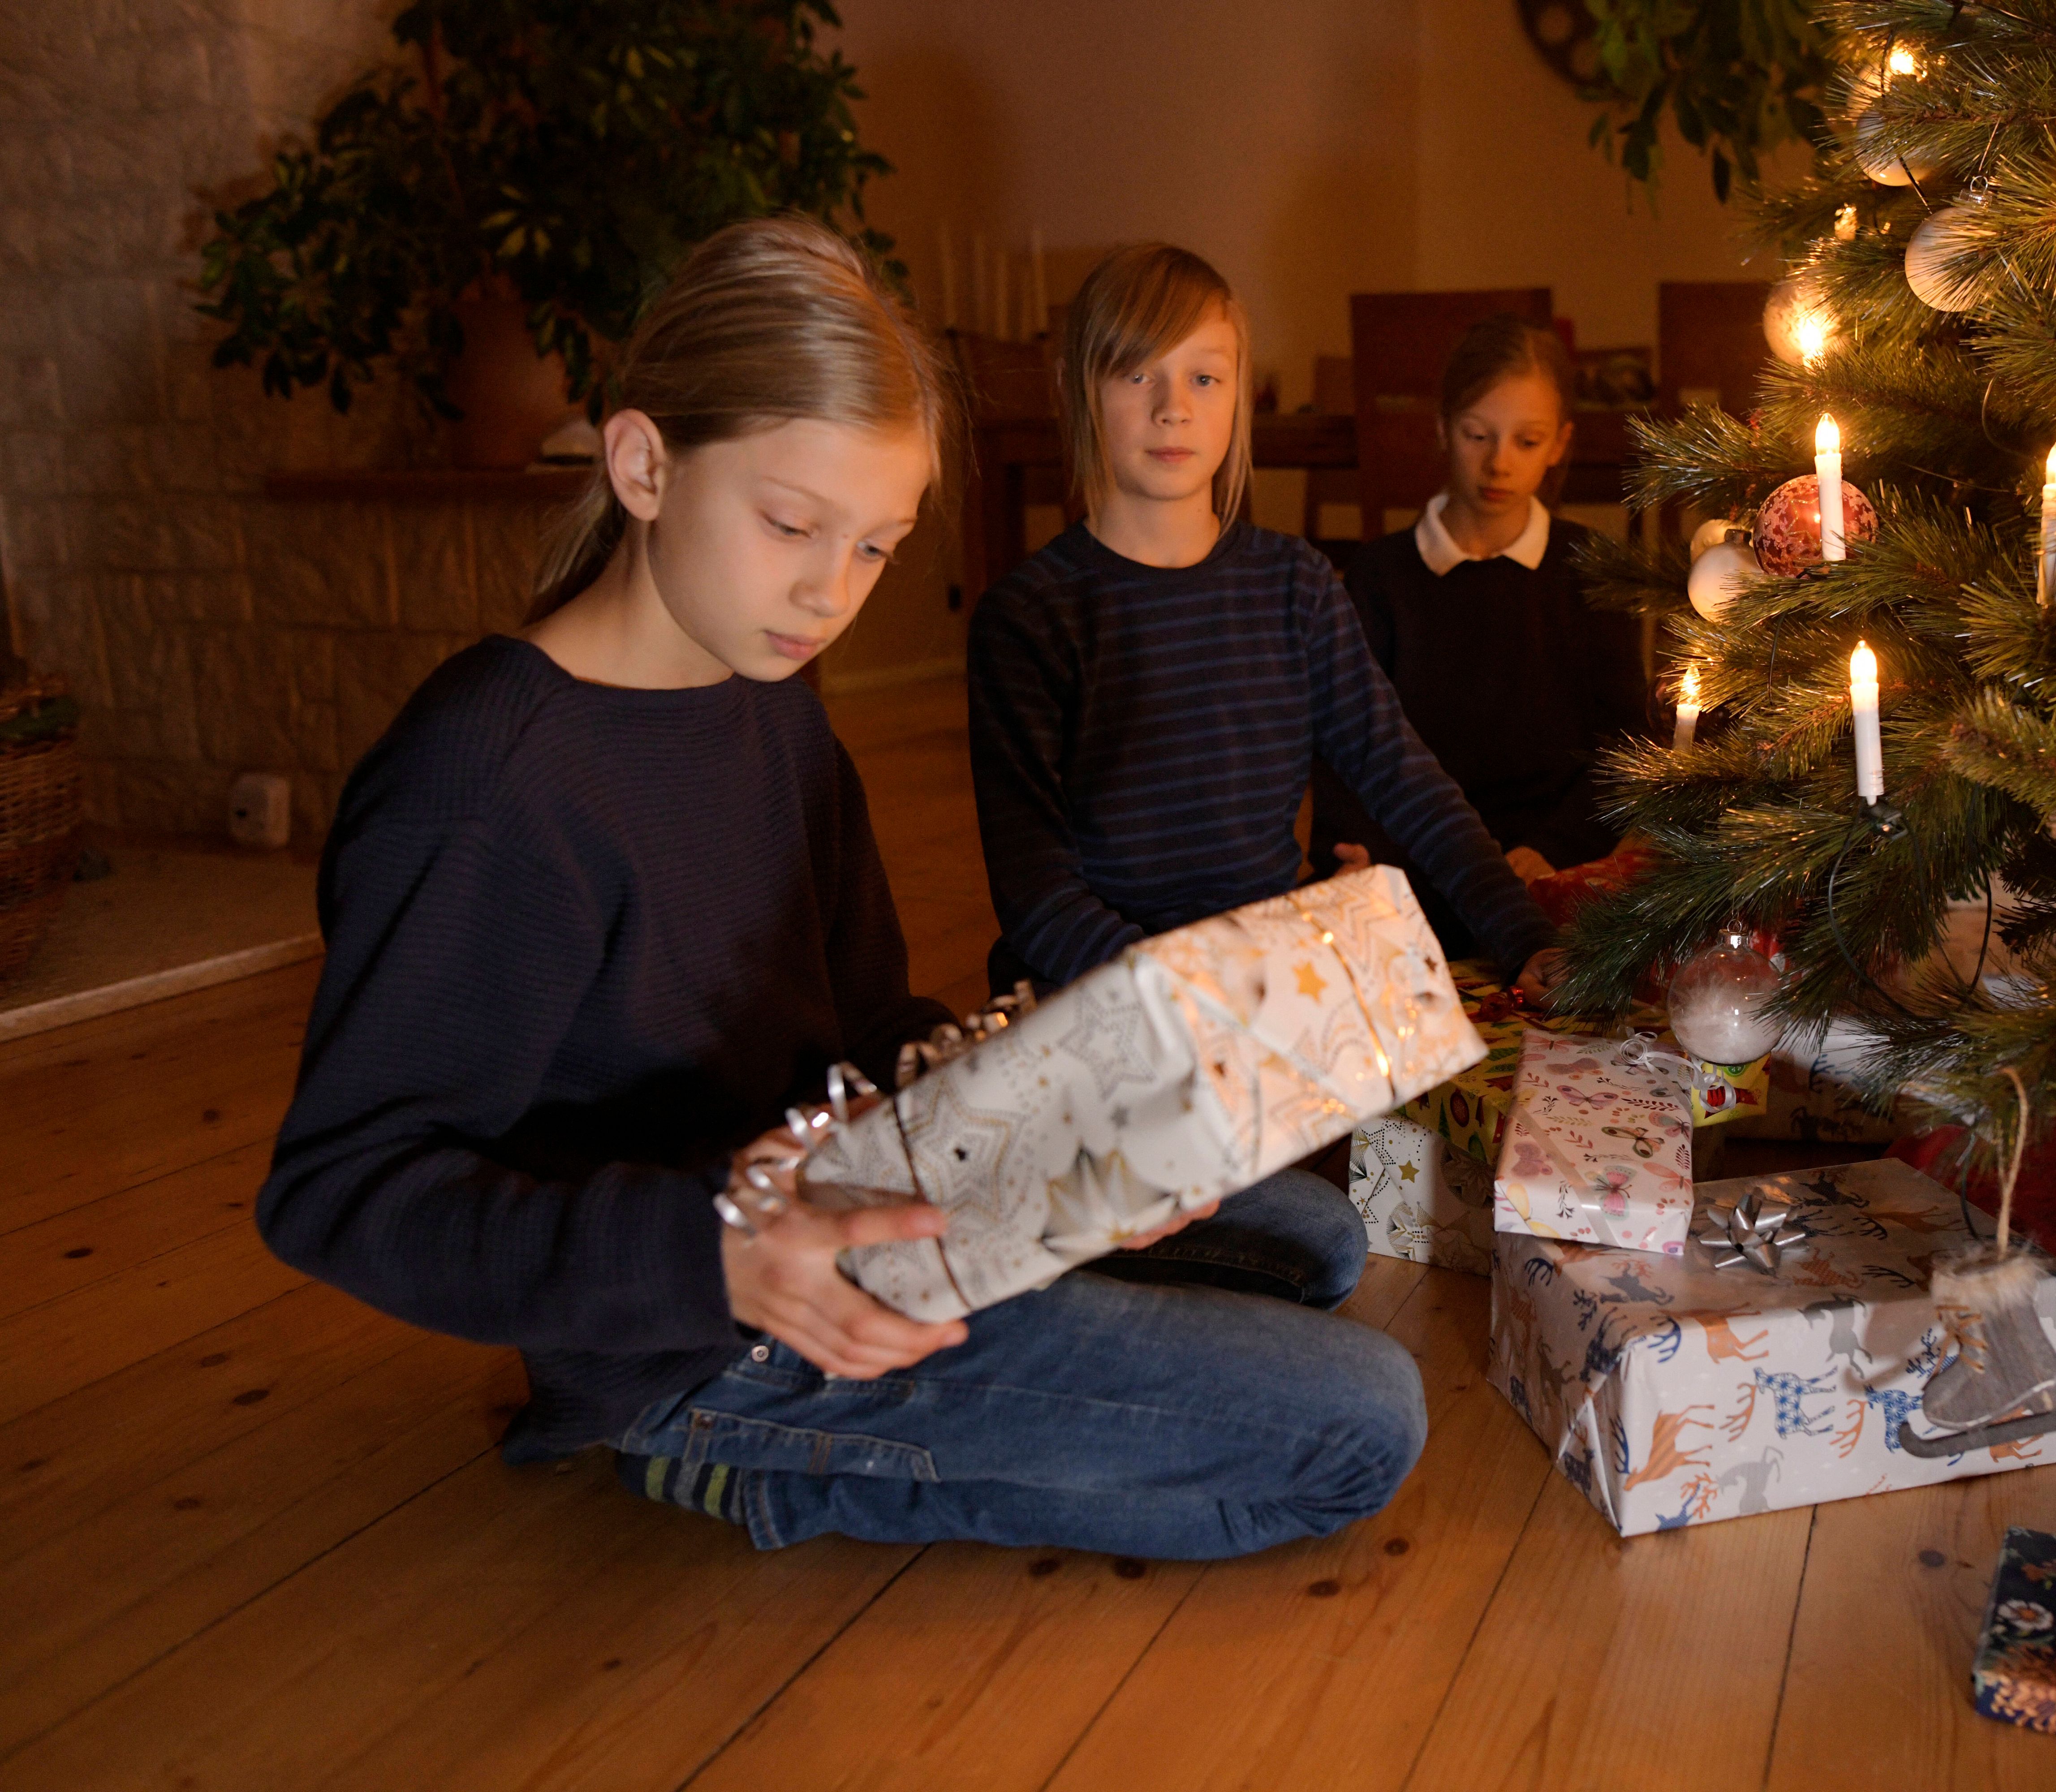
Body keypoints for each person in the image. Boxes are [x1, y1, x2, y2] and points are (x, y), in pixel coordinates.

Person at [255, 216, 1423, 1559]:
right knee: (1361, 1427)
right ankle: (750, 1460)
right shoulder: (492, 782)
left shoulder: (770, 703)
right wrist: (718, 1257)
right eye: (792, 524)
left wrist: (1078, 1118)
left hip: (866, 1191)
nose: (830, 592)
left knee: (1314, 1243)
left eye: (877, 546)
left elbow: (870, 1024)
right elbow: (341, 1189)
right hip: (709, 1322)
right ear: (643, 464)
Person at [967, 241, 1566, 1002]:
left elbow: (1405, 779)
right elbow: (1035, 891)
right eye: (1137, 372)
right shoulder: (1027, 617)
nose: (1173, 406)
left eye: (1204, 377)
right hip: (1105, 996)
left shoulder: (1297, 584)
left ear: (1240, 394)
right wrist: (1189, 997)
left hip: (1266, 982)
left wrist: (1522, 937)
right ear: (1074, 387)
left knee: (1408, 1128)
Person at [1311, 314, 1651, 955]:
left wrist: (1549, 849)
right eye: (1477, 435)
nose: (1499, 463)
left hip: (1550, 870)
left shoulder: (1591, 569)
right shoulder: (1380, 577)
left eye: (1527, 441)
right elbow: (1340, 748)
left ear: (1559, 444)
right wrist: (1361, 858)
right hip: (1411, 863)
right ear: (1443, 429)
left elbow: (1623, 747)